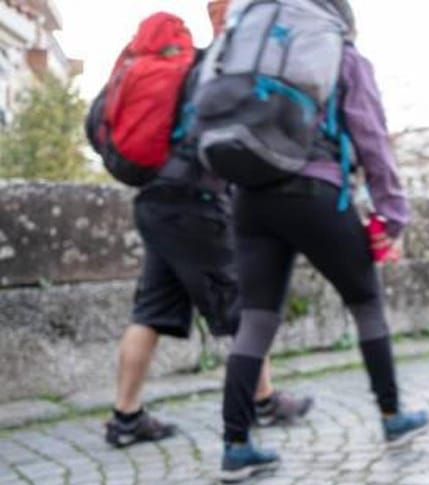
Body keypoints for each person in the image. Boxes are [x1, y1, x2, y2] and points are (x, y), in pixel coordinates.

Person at [216, 0, 429, 482]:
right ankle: (394, 418)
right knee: (366, 304)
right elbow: (371, 137)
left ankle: (235, 445)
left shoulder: (252, 45)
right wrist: (391, 213)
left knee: (255, 322)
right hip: (315, 192)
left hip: (250, 197)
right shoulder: (341, 52)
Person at [103, 2, 312, 448]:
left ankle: (125, 419)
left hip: (156, 203)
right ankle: (260, 408)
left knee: (151, 312)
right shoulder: (216, 64)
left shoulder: (176, 67)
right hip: (194, 203)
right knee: (244, 307)